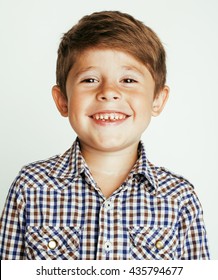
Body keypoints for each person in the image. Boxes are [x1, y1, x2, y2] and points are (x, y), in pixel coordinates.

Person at [0, 11, 210, 260]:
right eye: (90, 79)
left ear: (157, 99)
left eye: (128, 80)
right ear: (63, 100)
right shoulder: (30, 187)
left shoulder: (180, 198)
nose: (109, 92)